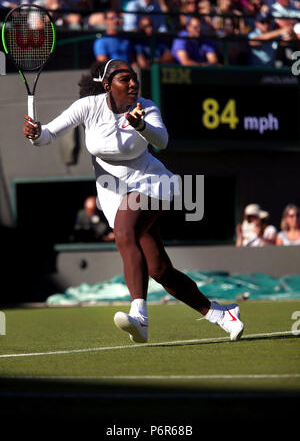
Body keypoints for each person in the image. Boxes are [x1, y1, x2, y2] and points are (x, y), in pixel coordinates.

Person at [23, 58, 244, 342]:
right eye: (124, 79)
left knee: (124, 232)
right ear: (106, 86)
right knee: (159, 269)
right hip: (113, 191)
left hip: (152, 183)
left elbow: (162, 141)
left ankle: (139, 316)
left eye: (134, 78)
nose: (132, 83)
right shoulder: (88, 107)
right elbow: (48, 134)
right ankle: (222, 314)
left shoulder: (146, 106)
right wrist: (36, 133)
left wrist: (141, 126)